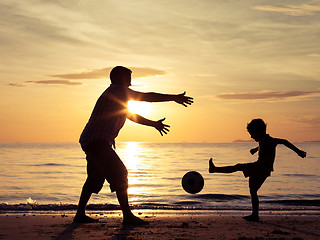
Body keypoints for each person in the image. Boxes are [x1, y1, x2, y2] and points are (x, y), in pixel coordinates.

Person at [74, 66, 193, 225]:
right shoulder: (118, 91)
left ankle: (79, 215)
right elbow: (146, 96)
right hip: (97, 141)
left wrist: (153, 124)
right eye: (128, 77)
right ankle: (127, 216)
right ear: (117, 78)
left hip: (92, 140)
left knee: (95, 177)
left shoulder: (117, 95)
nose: (131, 81)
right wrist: (173, 97)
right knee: (120, 173)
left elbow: (130, 115)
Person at [209, 118, 306, 222]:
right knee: (253, 190)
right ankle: (255, 215)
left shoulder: (270, 140)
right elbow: (262, 145)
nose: (251, 136)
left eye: (252, 133)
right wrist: (256, 149)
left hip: (260, 168)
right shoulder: (263, 140)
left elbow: (284, 142)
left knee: (238, 166)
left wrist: (298, 151)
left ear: (258, 131)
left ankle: (214, 169)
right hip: (263, 170)